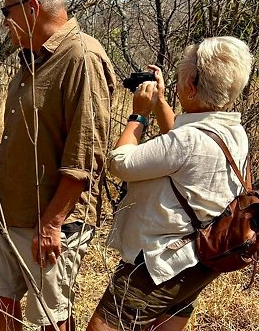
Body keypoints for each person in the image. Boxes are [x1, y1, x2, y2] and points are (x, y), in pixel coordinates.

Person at [87, 36, 254, 331]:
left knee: (106, 326)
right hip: (200, 259)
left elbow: (120, 164)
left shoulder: (187, 141)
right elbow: (181, 145)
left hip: (161, 263)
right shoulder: (233, 131)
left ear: (190, 84)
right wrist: (162, 103)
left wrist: (138, 115)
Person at [0, 0, 115, 331]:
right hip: (15, 214)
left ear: (32, 9)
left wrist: (52, 222)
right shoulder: (31, 58)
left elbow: (85, 155)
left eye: (6, 11)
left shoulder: (82, 58)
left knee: (49, 317)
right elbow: (14, 144)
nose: (5, 21)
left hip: (52, 220)